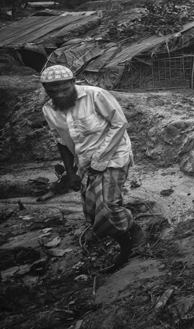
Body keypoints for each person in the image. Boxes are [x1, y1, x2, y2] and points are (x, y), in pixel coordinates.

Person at [40, 65, 143, 270]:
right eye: (53, 91)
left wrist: (100, 159)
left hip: (114, 155)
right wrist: (71, 172)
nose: (59, 94)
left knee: (108, 205)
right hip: (85, 162)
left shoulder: (96, 96)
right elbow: (61, 141)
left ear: (73, 82)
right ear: (46, 89)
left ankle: (128, 244)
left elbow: (119, 124)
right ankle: (129, 228)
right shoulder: (49, 110)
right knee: (92, 210)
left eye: (64, 88)